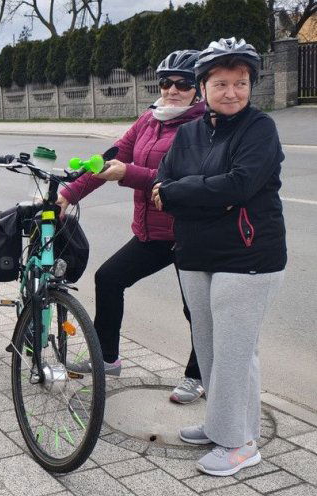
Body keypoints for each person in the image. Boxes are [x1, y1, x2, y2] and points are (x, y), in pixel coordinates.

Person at [153, 37, 286, 477]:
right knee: (209, 346)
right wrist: (198, 193)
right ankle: (219, 424)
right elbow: (161, 187)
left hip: (249, 256)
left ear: (251, 85)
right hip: (195, 253)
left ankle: (240, 444)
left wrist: (184, 192)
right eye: (221, 84)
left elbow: (239, 185)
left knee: (234, 352)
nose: (232, 92)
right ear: (204, 87)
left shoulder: (260, 129)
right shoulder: (189, 132)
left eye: (241, 83)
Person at [58, 50, 207, 404]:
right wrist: (69, 193)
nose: (172, 90)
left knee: (196, 308)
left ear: (198, 88)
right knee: (109, 278)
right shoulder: (149, 119)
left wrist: (130, 174)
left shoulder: (203, 126)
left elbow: (184, 179)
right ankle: (107, 359)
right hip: (153, 233)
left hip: (191, 234)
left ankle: (197, 375)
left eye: (183, 83)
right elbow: (111, 160)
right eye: (166, 82)